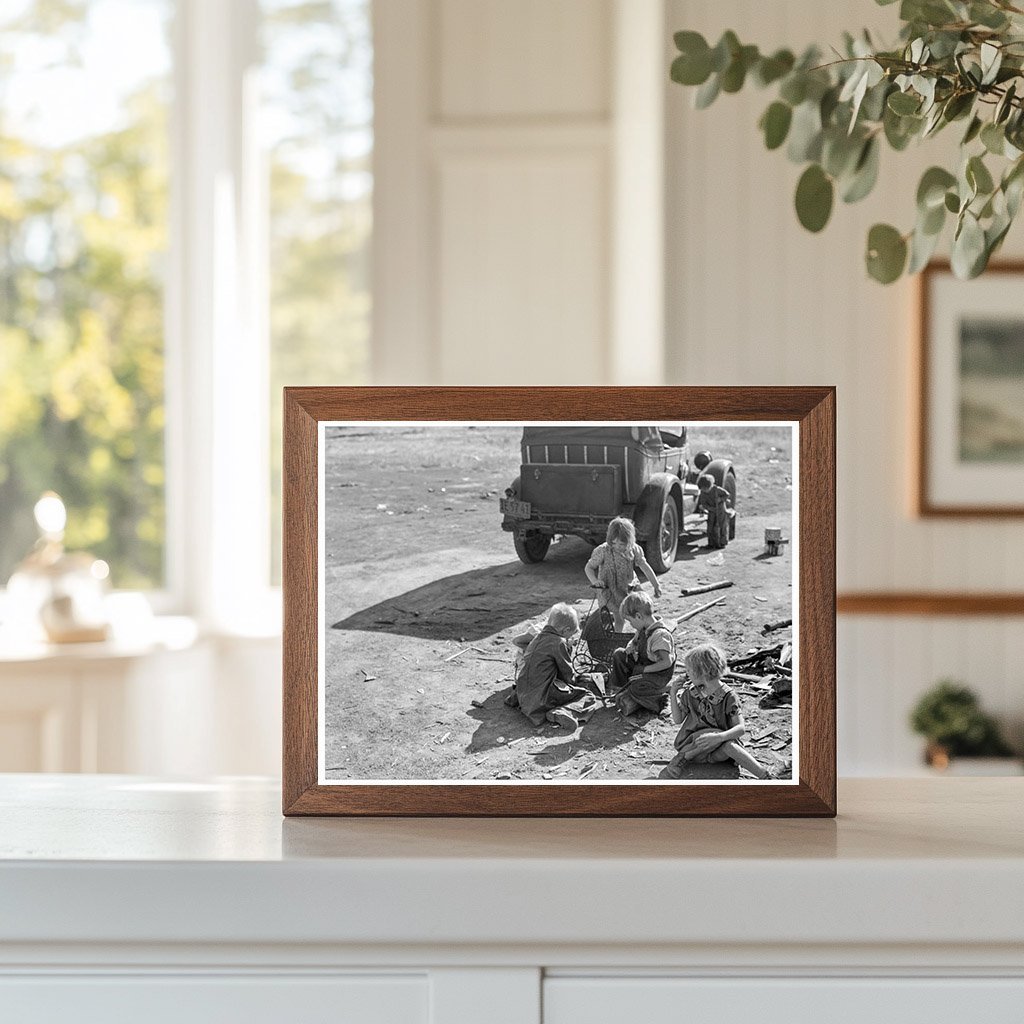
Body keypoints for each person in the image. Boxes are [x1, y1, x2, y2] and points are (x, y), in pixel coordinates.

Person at [658, 643, 784, 780]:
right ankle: (682, 758)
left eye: (688, 670)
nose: (686, 674)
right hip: (694, 749)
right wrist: (673, 692)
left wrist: (718, 738)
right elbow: (677, 720)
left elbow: (741, 729)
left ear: (703, 672)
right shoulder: (690, 693)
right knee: (706, 736)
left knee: (729, 745)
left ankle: (765, 777)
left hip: (719, 752)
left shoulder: (729, 696)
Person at [507, 604, 601, 730]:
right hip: (542, 699)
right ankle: (562, 712)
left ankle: (525, 702)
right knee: (587, 696)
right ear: (565, 631)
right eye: (571, 634)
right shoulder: (558, 642)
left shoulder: (537, 638)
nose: (570, 638)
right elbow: (567, 675)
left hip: (522, 692)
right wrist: (580, 682)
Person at [603, 591, 675, 718]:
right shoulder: (643, 627)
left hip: (658, 674)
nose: (630, 625)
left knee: (637, 688)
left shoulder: (660, 635)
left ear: (638, 616)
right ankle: (621, 689)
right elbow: (635, 640)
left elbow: (666, 662)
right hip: (643, 666)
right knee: (619, 654)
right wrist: (631, 645)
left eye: (630, 621)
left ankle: (662, 698)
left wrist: (643, 670)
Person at [584, 517, 661, 631]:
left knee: (643, 606)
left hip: (629, 587)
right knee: (619, 618)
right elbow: (589, 568)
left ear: (629, 540)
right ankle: (617, 638)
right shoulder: (603, 551)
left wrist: (656, 584)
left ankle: (648, 630)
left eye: (621, 544)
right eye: (613, 543)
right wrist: (595, 581)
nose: (617, 547)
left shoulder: (633, 550)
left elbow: (645, 567)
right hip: (611, 590)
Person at [697, 474, 732, 550]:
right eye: (703, 489)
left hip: (720, 510)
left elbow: (727, 495)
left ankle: (722, 543)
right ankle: (711, 543)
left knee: (721, 526)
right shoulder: (703, 493)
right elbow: (704, 504)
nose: (704, 490)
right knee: (710, 527)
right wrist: (709, 508)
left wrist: (720, 499)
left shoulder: (717, 490)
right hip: (711, 511)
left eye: (706, 489)